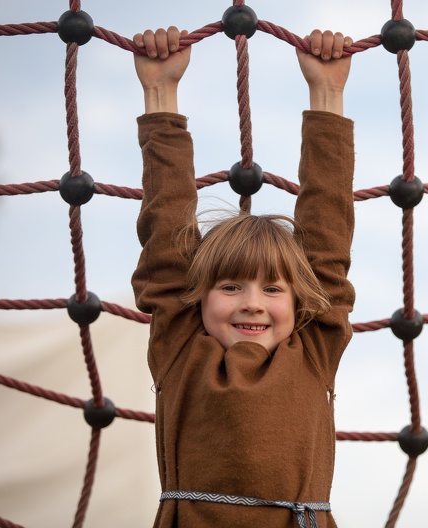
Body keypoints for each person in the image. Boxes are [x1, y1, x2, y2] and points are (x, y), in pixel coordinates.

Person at [130, 26, 355, 528]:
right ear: (199, 298)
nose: (253, 303)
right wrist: (160, 92)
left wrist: (327, 94)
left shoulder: (313, 349)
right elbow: (165, 232)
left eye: (273, 289)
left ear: (301, 303)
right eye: (231, 287)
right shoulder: (181, 347)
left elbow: (327, 239)